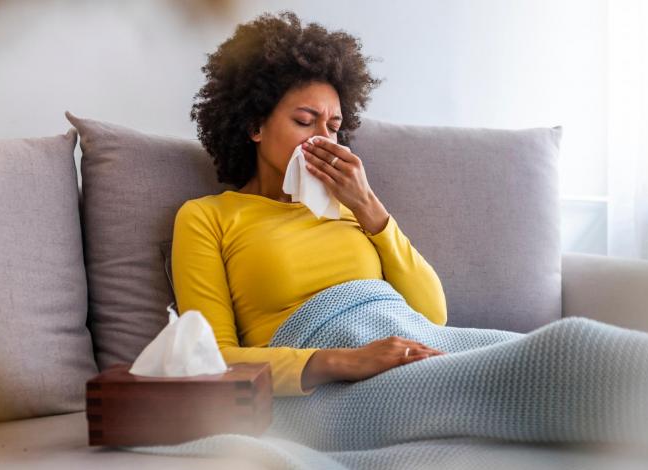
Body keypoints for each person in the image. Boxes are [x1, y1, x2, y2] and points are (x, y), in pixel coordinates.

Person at [173, 11, 445, 397]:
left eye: (333, 127)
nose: (324, 139)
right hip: (333, 389)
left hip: (416, 353)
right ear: (255, 127)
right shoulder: (207, 217)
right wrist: (344, 361)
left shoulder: (353, 208)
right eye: (305, 121)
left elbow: (433, 316)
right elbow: (210, 360)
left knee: (561, 345)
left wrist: (368, 205)